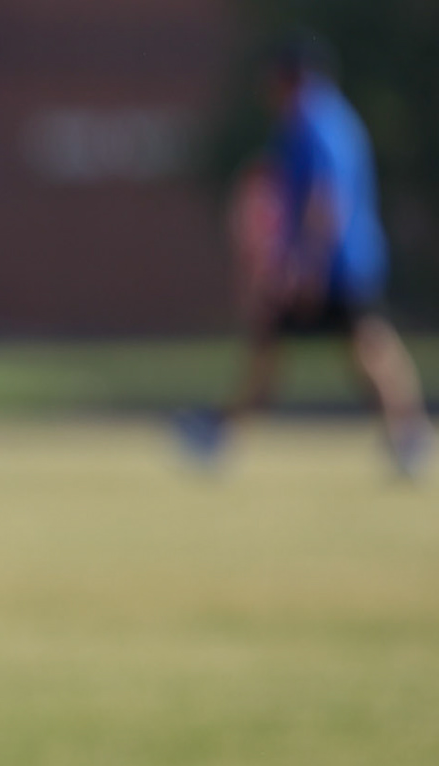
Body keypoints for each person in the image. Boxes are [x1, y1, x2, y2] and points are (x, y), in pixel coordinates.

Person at [180, 37, 431, 477]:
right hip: (352, 259)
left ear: (290, 77)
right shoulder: (335, 117)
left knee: (350, 345)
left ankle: (222, 434)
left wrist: (307, 265)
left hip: (336, 264)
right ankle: (408, 435)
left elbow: (324, 199)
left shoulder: (312, 121)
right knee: (359, 344)